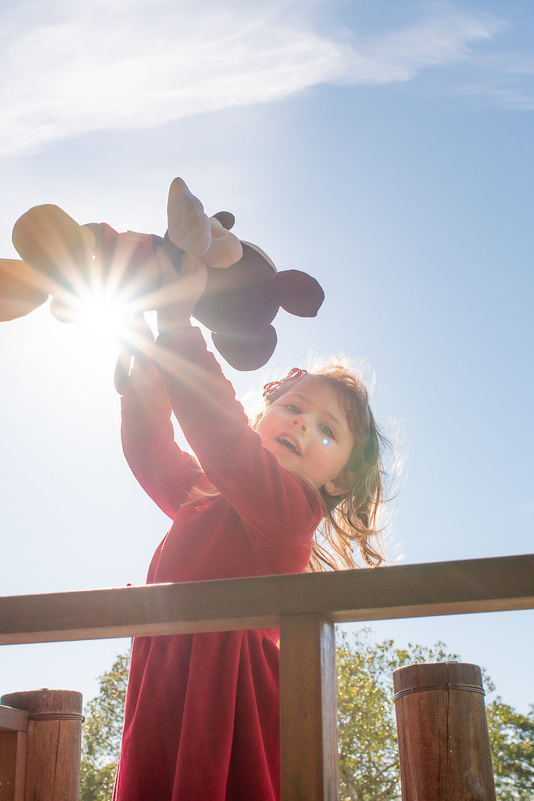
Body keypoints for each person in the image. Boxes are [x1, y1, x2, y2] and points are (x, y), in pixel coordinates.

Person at [113, 251, 390, 801]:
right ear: (264, 415)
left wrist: (177, 327)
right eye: (292, 408)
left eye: (327, 431)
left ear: (337, 482)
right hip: (168, 676)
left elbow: (225, 441)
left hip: (229, 697)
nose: (302, 425)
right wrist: (144, 369)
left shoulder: (290, 513)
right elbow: (153, 454)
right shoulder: (207, 494)